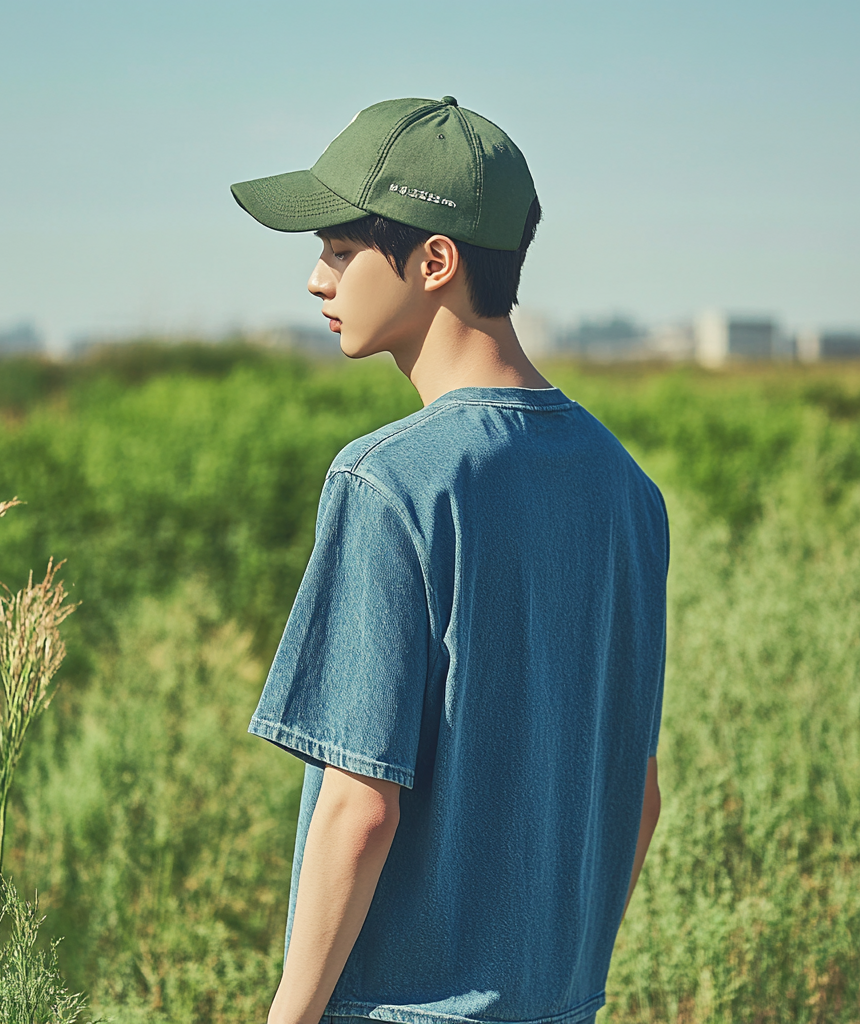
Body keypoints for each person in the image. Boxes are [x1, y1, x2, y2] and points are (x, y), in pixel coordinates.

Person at [231, 95, 668, 1024]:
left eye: (341, 251)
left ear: (435, 260)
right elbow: (640, 792)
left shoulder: (388, 483)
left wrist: (289, 1016)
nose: (317, 280)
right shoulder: (627, 490)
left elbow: (361, 807)